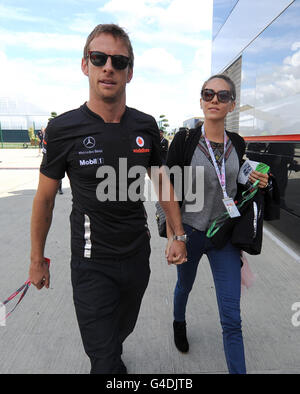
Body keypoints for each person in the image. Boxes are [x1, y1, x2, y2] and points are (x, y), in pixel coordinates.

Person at [28, 23, 186, 374]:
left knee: (120, 331)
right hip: (90, 262)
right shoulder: (63, 129)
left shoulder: (146, 126)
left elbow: (163, 184)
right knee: (104, 360)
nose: (108, 67)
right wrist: (37, 258)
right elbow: (44, 200)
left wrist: (178, 234)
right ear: (85, 65)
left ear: (130, 71)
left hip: (136, 257)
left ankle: (112, 351)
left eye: (118, 60)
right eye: (99, 58)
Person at [165, 74, 269, 374]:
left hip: (224, 237)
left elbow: (236, 180)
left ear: (232, 105)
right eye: (208, 94)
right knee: (184, 285)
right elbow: (167, 192)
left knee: (232, 318)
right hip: (190, 233)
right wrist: (174, 236)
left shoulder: (237, 143)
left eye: (222, 96)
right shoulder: (184, 142)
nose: (214, 100)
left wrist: (256, 179)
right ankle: (179, 322)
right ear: (201, 100)